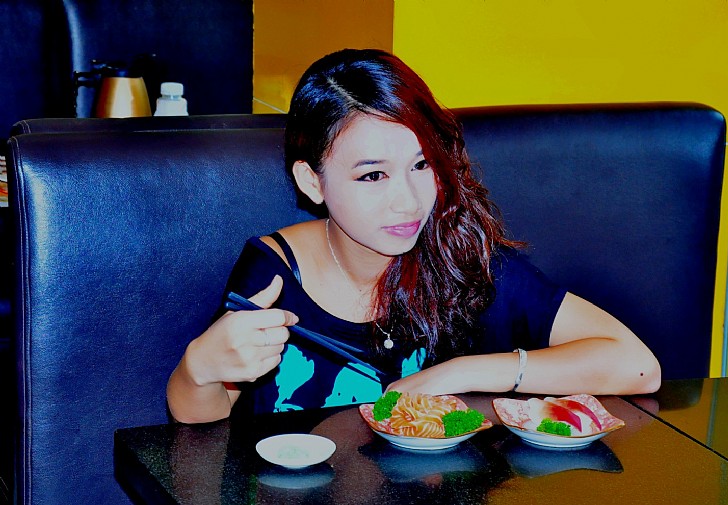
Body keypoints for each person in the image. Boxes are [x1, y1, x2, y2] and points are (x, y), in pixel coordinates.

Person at [167, 49, 661, 424]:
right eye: (373, 175)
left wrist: (461, 372)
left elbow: (638, 367)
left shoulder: (457, 254)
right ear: (312, 182)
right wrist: (197, 370)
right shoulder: (276, 272)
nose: (407, 202)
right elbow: (200, 422)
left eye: (422, 165)